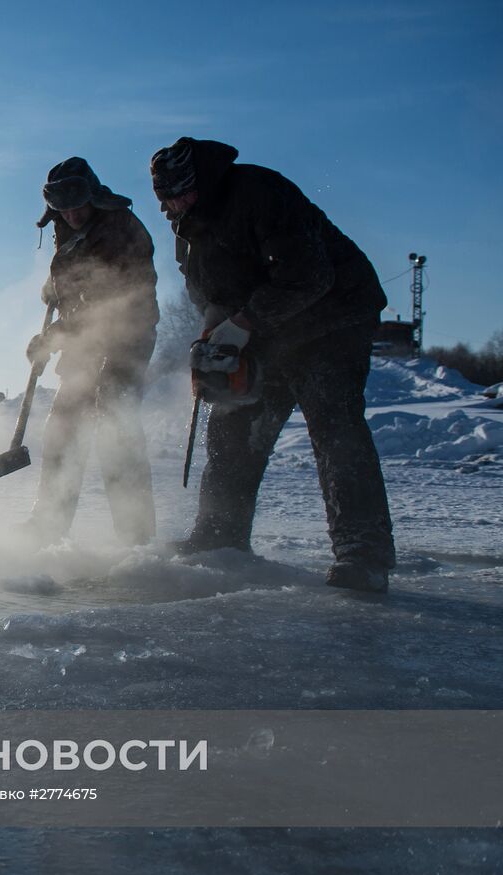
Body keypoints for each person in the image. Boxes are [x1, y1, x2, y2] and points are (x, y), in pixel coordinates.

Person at [150, 137, 395, 592]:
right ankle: (219, 536)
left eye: (183, 190)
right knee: (233, 426)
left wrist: (245, 322)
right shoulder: (188, 225)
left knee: (334, 427)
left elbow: (310, 275)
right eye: (166, 196)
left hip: (333, 318)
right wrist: (213, 337)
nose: (175, 202)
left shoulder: (260, 192)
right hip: (269, 330)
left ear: (204, 178)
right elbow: (206, 290)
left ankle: (363, 551)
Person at [27, 157, 159, 546]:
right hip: (84, 343)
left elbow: (109, 304)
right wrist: (57, 287)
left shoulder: (120, 228)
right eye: (62, 208)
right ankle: (48, 527)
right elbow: (78, 282)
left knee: (115, 431)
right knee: (63, 429)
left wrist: (54, 335)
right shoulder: (66, 225)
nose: (71, 213)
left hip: (126, 337)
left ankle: (136, 540)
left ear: (94, 196)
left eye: (77, 205)